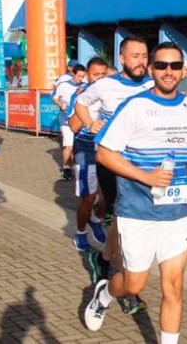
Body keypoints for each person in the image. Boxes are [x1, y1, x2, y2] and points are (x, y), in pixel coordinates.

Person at [84, 41, 187, 344]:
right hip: (137, 213)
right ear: (152, 69)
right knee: (133, 284)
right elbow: (104, 154)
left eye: (175, 66)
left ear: (184, 71)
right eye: (162, 65)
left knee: (174, 286)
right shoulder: (135, 107)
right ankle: (104, 294)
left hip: (176, 214)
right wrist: (147, 177)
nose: (169, 71)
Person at [75, 37, 154, 283]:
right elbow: (80, 103)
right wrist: (90, 123)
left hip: (143, 162)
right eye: (135, 56)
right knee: (125, 218)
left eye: (144, 56)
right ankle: (125, 277)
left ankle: (105, 261)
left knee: (126, 219)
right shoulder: (105, 85)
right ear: (121, 59)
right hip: (111, 161)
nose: (141, 61)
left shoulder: (153, 84)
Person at [66, 58, 108, 254]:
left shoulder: (112, 94)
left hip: (107, 150)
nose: (99, 78)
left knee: (110, 195)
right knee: (88, 198)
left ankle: (96, 220)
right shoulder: (80, 96)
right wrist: (85, 112)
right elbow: (74, 126)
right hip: (86, 150)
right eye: (95, 74)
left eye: (103, 74)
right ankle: (81, 232)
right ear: (87, 76)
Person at [52, 64, 87, 181]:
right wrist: (60, 105)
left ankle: (75, 166)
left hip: (80, 121)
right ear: (73, 74)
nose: (80, 79)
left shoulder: (85, 86)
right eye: (79, 76)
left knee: (77, 147)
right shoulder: (64, 85)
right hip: (65, 120)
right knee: (69, 146)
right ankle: (66, 168)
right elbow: (54, 96)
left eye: (83, 76)